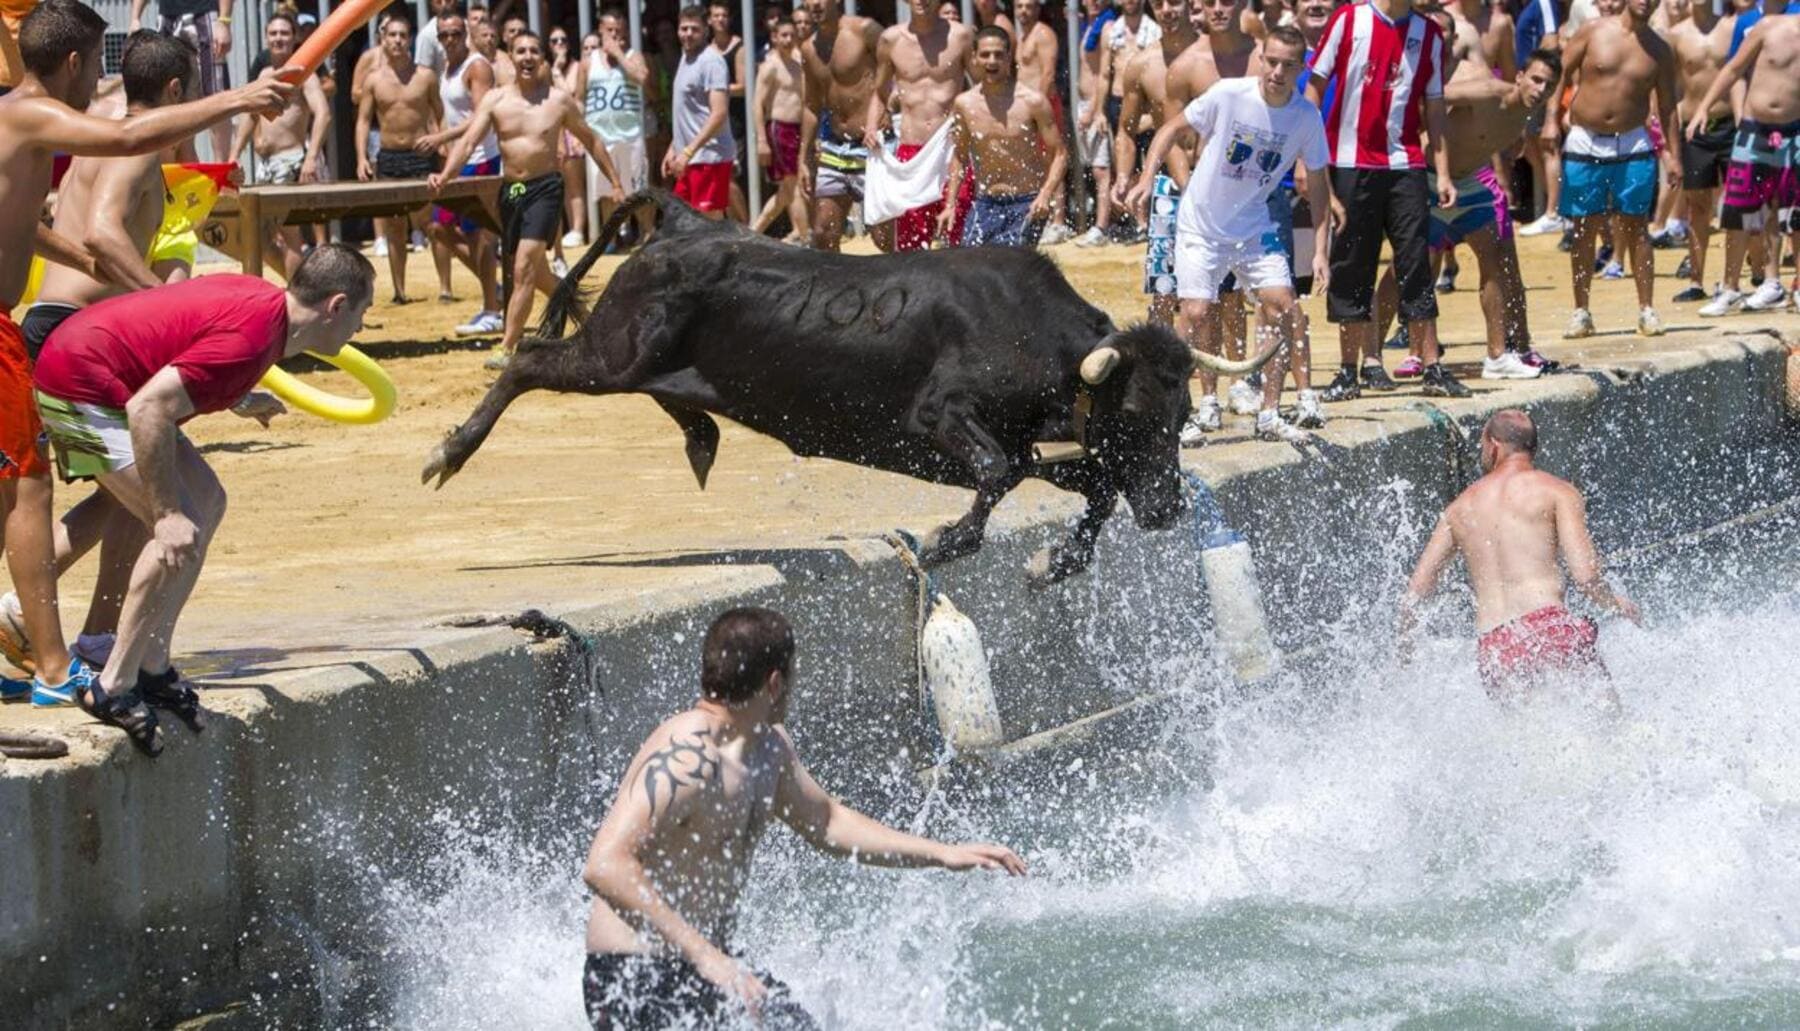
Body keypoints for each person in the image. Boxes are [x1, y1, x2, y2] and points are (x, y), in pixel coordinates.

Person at [0, 0, 289, 706]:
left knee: (54, 489)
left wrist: (96, 272)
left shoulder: (14, 122)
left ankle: (67, 644)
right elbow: (127, 141)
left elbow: (25, 229)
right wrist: (238, 97)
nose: (94, 80)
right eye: (93, 66)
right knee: (30, 491)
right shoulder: (29, 113)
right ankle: (51, 664)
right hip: (31, 338)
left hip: (21, 326)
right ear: (72, 64)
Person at [580, 606, 1026, 1029]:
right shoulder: (685, 758)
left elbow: (828, 823)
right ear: (775, 683)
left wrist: (942, 854)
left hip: (708, 969)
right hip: (632, 977)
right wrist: (706, 957)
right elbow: (604, 865)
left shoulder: (768, 749)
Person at [28, 246, 371, 753]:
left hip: (108, 377)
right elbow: (149, 408)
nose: (361, 330)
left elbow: (188, 340)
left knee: (208, 500)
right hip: (77, 384)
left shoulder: (267, 310)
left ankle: (152, 662)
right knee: (175, 523)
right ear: (337, 306)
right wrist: (164, 514)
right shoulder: (252, 341)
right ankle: (113, 685)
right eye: (363, 315)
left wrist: (236, 396)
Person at [1129, 25, 1331, 444]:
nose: (1276, 71)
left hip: (1253, 226)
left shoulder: (1306, 117)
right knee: (1195, 313)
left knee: (1281, 304)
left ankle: (1271, 412)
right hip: (1200, 224)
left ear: (1300, 69)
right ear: (1261, 58)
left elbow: (1318, 182)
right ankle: (1177, 413)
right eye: (1270, 61)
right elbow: (1169, 129)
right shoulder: (1228, 95)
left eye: (1287, 65)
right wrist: (1147, 178)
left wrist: (1321, 251)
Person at [1402, 410, 1639, 703]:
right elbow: (1586, 576)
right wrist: (1616, 603)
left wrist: (1405, 653)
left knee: (1526, 743)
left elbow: (1416, 593)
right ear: (1533, 448)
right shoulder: (1558, 492)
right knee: (1609, 730)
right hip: (1550, 629)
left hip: (1497, 647)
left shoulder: (1457, 510)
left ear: (1493, 445)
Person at [429, 29, 625, 369]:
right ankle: (579, 309)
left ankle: (508, 347)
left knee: (522, 267)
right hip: (512, 191)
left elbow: (591, 140)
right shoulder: (495, 99)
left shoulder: (558, 101)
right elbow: (469, 141)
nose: (528, 57)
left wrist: (617, 184)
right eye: (521, 51)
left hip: (545, 188)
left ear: (543, 60)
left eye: (535, 51)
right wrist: (446, 174)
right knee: (536, 271)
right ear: (511, 56)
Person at [1307, 0, 1471, 401]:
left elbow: (1434, 107)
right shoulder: (1348, 19)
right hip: (1349, 160)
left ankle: (1432, 365)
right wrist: (1307, 156)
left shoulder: (1428, 34)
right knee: (1352, 262)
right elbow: (1314, 88)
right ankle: (1349, 370)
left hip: (1405, 163)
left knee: (1415, 260)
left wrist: (1443, 171)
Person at [1373, 50, 1563, 381]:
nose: (1540, 89)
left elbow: (1493, 136)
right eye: (1535, 79)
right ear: (1519, 76)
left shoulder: (1527, 114)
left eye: (1548, 85)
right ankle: (1371, 357)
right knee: (1402, 270)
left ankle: (1497, 356)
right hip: (1431, 179)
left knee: (1495, 261)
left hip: (1471, 185)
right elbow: (1430, 97)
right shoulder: (1488, 91)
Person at [1558, 0, 1683, 337]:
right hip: (1586, 137)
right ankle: (1580, 310)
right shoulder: (1594, 31)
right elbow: (1561, 73)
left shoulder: (1659, 49)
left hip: (1632, 141)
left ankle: (1647, 309)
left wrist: (1673, 154)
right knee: (1584, 228)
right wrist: (1547, 123)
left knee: (1636, 227)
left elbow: (1668, 106)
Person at [1687, 7, 1799, 315]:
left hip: (1795, 133)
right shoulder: (1766, 27)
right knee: (1740, 213)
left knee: (1794, 213)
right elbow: (1733, 70)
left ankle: (1796, 287)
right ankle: (1731, 287)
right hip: (1755, 130)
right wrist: (1703, 108)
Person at [410, 9, 504, 334]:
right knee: (437, 228)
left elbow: (482, 117)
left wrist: (440, 137)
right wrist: (443, 141)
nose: (450, 39)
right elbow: (450, 113)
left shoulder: (476, 67)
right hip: (461, 159)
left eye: (455, 33)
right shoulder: (447, 67)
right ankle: (493, 288)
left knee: (482, 237)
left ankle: (492, 308)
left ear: (465, 33)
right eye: (444, 35)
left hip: (482, 159)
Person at [1110, 0, 1200, 330]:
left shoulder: (1212, 56)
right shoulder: (1142, 65)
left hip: (1216, 181)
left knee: (1224, 293)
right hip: (1168, 184)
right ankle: (1162, 368)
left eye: (1174, 1)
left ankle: (1234, 375)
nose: (1167, 10)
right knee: (1163, 288)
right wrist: (1123, 175)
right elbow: (1126, 129)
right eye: (1159, 3)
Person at [863, 0, 979, 252]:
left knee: (959, 234)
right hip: (911, 152)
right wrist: (872, 125)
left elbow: (981, 89)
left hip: (952, 148)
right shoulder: (890, 39)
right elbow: (880, 92)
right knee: (912, 244)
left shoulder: (961, 35)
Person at [941, 25, 1065, 247]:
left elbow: (1060, 154)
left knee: (1011, 271)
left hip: (1025, 202)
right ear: (975, 58)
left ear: (1009, 57)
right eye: (985, 54)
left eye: (999, 55)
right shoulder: (964, 104)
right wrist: (950, 206)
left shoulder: (1032, 101)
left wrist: (1045, 195)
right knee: (970, 267)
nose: (992, 61)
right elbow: (959, 157)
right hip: (985, 202)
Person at [227, 12, 329, 279]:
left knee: (291, 236)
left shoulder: (304, 74)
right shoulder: (263, 74)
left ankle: (296, 296)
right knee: (266, 236)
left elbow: (323, 113)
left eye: (284, 33)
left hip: (291, 160)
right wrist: (234, 155)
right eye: (273, 33)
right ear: (266, 37)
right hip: (266, 166)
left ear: (295, 38)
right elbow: (250, 116)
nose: (278, 38)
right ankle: (296, 289)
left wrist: (311, 157)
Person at [356, 16, 443, 304]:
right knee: (394, 227)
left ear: (410, 39)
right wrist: (361, 158)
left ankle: (446, 287)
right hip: (390, 156)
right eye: (392, 35)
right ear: (383, 38)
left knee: (432, 224)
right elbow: (363, 121)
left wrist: (443, 143)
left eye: (403, 35)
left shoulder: (425, 76)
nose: (397, 40)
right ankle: (399, 290)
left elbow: (439, 113)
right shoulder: (374, 79)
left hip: (422, 155)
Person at [796, 0, 882, 251]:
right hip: (835, 147)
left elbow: (897, 72)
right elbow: (811, 106)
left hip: (873, 145)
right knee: (823, 231)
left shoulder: (865, 30)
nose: (815, 3)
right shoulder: (808, 49)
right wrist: (804, 157)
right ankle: (834, 288)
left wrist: (886, 109)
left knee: (885, 236)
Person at [1664, 0, 1734, 304]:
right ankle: (1696, 279)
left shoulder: (1731, 28)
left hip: (1731, 123)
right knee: (1697, 208)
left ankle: (1736, 280)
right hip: (1694, 128)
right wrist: (1668, 146)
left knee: (1739, 207)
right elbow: (1665, 88)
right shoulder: (1676, 35)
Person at [1078, 0, 1158, 246]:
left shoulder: (1154, 30)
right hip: (1117, 100)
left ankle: (1146, 223)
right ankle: (1137, 221)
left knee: (1149, 164)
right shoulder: (1111, 31)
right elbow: (1104, 74)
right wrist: (1100, 111)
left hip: (1145, 102)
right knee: (1123, 164)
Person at [577, 8, 654, 244]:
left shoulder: (632, 55)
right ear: (600, 30)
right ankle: (610, 241)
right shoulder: (588, 63)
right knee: (606, 193)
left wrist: (619, 55)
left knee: (638, 192)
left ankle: (648, 234)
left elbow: (642, 78)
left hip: (630, 136)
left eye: (619, 31)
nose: (614, 35)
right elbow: (579, 98)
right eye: (609, 30)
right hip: (600, 138)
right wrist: (581, 132)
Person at [127, 0, 233, 160]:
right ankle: (183, 165)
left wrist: (224, 21)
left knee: (215, 91)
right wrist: (135, 17)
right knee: (167, 94)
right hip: (167, 16)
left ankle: (222, 168)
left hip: (204, 13)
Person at [666, 5, 737, 220]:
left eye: (694, 29)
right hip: (689, 158)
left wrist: (687, 152)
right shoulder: (685, 58)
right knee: (684, 222)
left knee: (710, 224)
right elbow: (686, 111)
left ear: (705, 30)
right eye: (684, 28)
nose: (688, 34)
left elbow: (719, 113)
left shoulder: (712, 61)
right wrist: (673, 148)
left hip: (709, 157)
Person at [752, 15, 809, 239]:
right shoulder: (770, 67)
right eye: (783, 35)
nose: (788, 40)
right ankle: (804, 236)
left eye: (791, 35)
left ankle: (755, 230)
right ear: (774, 37)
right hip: (779, 130)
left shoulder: (796, 65)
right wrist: (761, 140)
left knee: (788, 190)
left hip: (797, 129)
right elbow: (757, 104)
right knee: (792, 184)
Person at [1073, 0, 1121, 246]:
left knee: (1102, 170)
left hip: (1095, 105)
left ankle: (1102, 226)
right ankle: (1102, 222)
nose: (1093, 1)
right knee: (1094, 168)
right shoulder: (1089, 25)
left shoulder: (1107, 26)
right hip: (1084, 105)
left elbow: (1104, 74)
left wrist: (1094, 109)